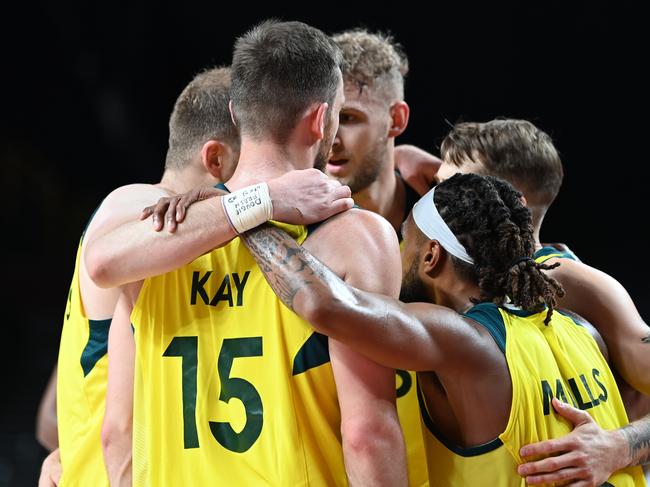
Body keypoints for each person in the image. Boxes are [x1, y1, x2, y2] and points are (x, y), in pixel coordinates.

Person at [90, 20, 406, 486]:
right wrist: (267, 203)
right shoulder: (356, 238)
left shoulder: (160, 234)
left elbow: (117, 435)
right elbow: (366, 435)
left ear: (236, 113)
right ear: (322, 120)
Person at [239, 171, 646, 486]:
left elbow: (325, 304)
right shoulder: (581, 329)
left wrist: (245, 210)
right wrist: (624, 445)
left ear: (431, 256)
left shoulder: (467, 343)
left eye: (404, 240)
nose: (396, 254)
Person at [50, 65, 345, 487]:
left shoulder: (172, 242)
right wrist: (265, 198)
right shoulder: (142, 207)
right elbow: (117, 428)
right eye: (251, 157)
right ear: (215, 158)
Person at [431, 119, 650, 485]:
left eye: (455, 189)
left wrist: (618, 446)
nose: (437, 205)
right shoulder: (456, 274)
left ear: (513, 202)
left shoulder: (569, 280)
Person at [325, 28, 428, 485]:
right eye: (323, 118)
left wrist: (621, 443)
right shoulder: (293, 228)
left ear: (396, 120)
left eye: (348, 117)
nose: (329, 137)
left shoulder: (459, 226)